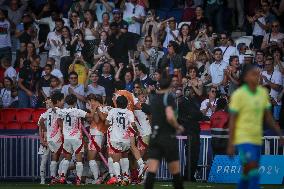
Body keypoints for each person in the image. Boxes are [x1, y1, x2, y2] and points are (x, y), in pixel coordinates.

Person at [227, 64, 284, 189]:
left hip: (257, 139)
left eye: (259, 74)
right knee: (254, 169)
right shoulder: (238, 95)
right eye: (254, 74)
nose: (257, 77)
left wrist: (280, 134)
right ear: (246, 77)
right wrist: (230, 143)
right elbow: (232, 121)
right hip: (243, 139)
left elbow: (268, 117)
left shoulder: (262, 93)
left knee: (247, 172)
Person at [145, 73, 184, 189]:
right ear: (170, 84)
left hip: (155, 137)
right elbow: (170, 116)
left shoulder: (154, 98)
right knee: (175, 172)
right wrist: (178, 127)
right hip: (167, 138)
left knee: (152, 171)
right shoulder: (169, 97)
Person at [57, 94, 95, 185]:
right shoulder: (78, 111)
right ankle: (78, 179)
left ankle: (62, 177)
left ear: (66, 102)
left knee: (67, 158)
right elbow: (90, 116)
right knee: (79, 159)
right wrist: (93, 108)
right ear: (75, 102)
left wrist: (64, 129)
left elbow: (58, 120)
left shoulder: (63, 111)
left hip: (67, 138)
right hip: (77, 138)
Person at [106, 95, 136, 184]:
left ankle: (118, 178)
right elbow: (133, 125)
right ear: (126, 104)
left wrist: (113, 123)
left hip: (115, 138)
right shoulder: (129, 112)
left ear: (116, 103)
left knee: (116, 159)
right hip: (125, 139)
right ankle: (126, 177)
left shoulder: (113, 111)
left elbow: (107, 122)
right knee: (125, 156)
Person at [38, 92, 65, 185]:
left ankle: (52, 178)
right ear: (57, 101)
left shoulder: (47, 112)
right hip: (56, 137)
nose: (63, 102)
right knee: (58, 158)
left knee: (52, 158)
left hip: (49, 138)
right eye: (62, 100)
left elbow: (41, 121)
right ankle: (55, 178)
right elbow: (59, 122)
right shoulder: (58, 110)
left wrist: (45, 130)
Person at [178, 86, 204, 182]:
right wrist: (197, 115)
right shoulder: (183, 101)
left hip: (194, 130)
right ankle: (188, 175)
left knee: (195, 154)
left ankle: (190, 175)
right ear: (185, 92)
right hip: (189, 131)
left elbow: (197, 114)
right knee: (190, 153)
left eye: (190, 90)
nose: (189, 92)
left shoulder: (193, 101)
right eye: (187, 90)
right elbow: (195, 114)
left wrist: (198, 115)